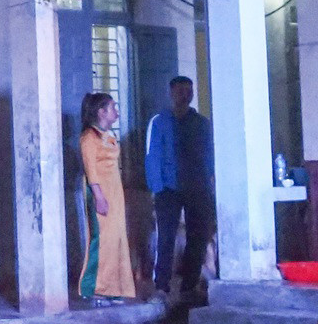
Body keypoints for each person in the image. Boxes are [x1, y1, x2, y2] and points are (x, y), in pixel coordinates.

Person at [145, 76, 215, 301]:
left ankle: (189, 284)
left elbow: (209, 155)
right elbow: (152, 155)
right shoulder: (159, 122)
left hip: (197, 186)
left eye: (189, 91)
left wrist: (210, 184)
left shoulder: (201, 123)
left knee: (198, 236)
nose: (185, 95)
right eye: (180, 90)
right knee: (166, 236)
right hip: (168, 188)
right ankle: (162, 284)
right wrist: (156, 187)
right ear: (171, 93)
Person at [78, 92, 138, 304]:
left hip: (115, 192)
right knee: (101, 240)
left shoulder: (108, 136)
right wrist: (99, 197)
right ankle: (93, 287)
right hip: (99, 192)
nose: (116, 112)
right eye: (112, 107)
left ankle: (112, 287)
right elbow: (91, 170)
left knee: (115, 240)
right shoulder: (89, 138)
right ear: (101, 111)